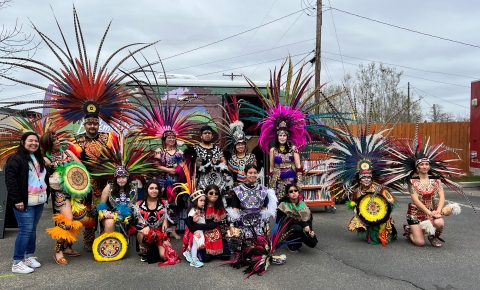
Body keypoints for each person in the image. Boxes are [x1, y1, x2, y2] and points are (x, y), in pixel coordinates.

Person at [40, 130, 88, 265]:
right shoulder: (46, 159)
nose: (57, 141)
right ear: (47, 144)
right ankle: (58, 251)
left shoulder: (68, 153)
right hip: (60, 193)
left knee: (75, 219)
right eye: (53, 140)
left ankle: (67, 248)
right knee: (67, 220)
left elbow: (81, 167)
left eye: (57, 139)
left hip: (74, 192)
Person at [5, 132, 47, 274]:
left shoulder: (38, 158)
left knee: (32, 229)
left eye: (36, 141)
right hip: (24, 202)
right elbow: (10, 181)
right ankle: (17, 262)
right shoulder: (15, 159)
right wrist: (17, 199)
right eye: (30, 141)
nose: (34, 143)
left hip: (39, 201)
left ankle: (29, 257)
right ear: (23, 142)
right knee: (25, 230)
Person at [73, 113, 112, 251]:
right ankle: (88, 240)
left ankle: (104, 237)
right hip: (86, 182)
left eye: (95, 124)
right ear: (84, 125)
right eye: (89, 124)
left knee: (104, 209)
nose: (92, 126)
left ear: (98, 125)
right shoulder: (78, 140)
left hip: (104, 181)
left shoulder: (107, 138)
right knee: (88, 212)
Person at [346, 165, 397, 246]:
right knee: (358, 217)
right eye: (363, 177)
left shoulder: (378, 188)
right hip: (365, 213)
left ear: (372, 179)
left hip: (380, 213)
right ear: (360, 180)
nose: (366, 179)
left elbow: (391, 201)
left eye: (368, 177)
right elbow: (353, 203)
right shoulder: (356, 191)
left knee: (382, 233)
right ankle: (368, 231)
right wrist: (354, 206)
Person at [134, 180, 181, 265]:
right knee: (141, 233)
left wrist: (165, 238)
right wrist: (145, 227)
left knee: (164, 256)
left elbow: (165, 223)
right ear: (147, 190)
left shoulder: (164, 203)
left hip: (160, 234)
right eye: (151, 188)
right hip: (146, 233)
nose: (154, 191)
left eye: (156, 188)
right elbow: (139, 223)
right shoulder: (139, 204)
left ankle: (156, 249)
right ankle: (145, 249)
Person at [227, 164, 277, 239]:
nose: (253, 175)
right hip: (243, 226)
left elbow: (264, 210)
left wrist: (266, 225)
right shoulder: (238, 190)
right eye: (250, 173)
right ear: (245, 174)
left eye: (255, 173)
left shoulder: (263, 190)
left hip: (258, 226)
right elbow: (235, 210)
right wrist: (232, 226)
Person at [404, 159, 445, 247]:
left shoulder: (436, 180)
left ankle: (432, 236)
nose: (424, 166)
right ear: (417, 167)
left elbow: (442, 197)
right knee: (420, 242)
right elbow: (415, 201)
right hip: (415, 214)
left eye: (426, 164)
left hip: (432, 211)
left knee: (439, 223)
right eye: (422, 164)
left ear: (429, 166)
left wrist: (437, 211)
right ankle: (409, 231)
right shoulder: (412, 181)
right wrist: (430, 213)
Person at [154, 130, 185, 240]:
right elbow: (156, 165)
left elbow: (183, 166)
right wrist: (168, 169)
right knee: (162, 205)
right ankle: (161, 231)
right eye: (169, 138)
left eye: (173, 138)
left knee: (175, 206)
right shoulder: (159, 151)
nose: (171, 140)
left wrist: (178, 169)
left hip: (176, 183)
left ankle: (173, 231)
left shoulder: (179, 152)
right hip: (162, 182)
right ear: (164, 140)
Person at [194, 125, 233, 199]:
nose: (207, 135)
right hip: (200, 180)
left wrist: (219, 163)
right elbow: (192, 164)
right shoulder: (196, 148)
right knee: (202, 200)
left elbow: (223, 161)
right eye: (205, 133)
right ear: (201, 136)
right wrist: (201, 163)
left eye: (209, 133)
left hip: (216, 180)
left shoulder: (217, 149)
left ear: (212, 136)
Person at [277, 184, 318, 253]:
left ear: (298, 192)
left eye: (295, 190)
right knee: (297, 228)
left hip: (303, 226)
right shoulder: (283, 205)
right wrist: (303, 224)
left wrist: (310, 230)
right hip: (288, 229)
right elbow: (288, 220)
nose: (294, 192)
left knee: (312, 243)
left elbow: (309, 219)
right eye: (291, 191)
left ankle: (298, 241)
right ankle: (290, 243)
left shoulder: (303, 204)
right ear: (287, 195)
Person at [268, 123, 303, 199]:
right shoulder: (273, 150)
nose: (282, 138)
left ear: (287, 137)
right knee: (278, 203)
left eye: (284, 135)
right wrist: (271, 184)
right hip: (277, 180)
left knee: (291, 201)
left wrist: (299, 182)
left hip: (291, 181)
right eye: (280, 135)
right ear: (277, 137)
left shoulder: (293, 149)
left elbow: (298, 166)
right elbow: (271, 168)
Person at [182, 190, 207, 268]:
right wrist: (195, 231)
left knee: (199, 244)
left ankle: (190, 253)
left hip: (200, 230)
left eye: (204, 201)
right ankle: (194, 260)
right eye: (201, 200)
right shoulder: (193, 210)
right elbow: (189, 223)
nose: (203, 202)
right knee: (195, 244)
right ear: (195, 201)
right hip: (194, 231)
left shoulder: (201, 209)